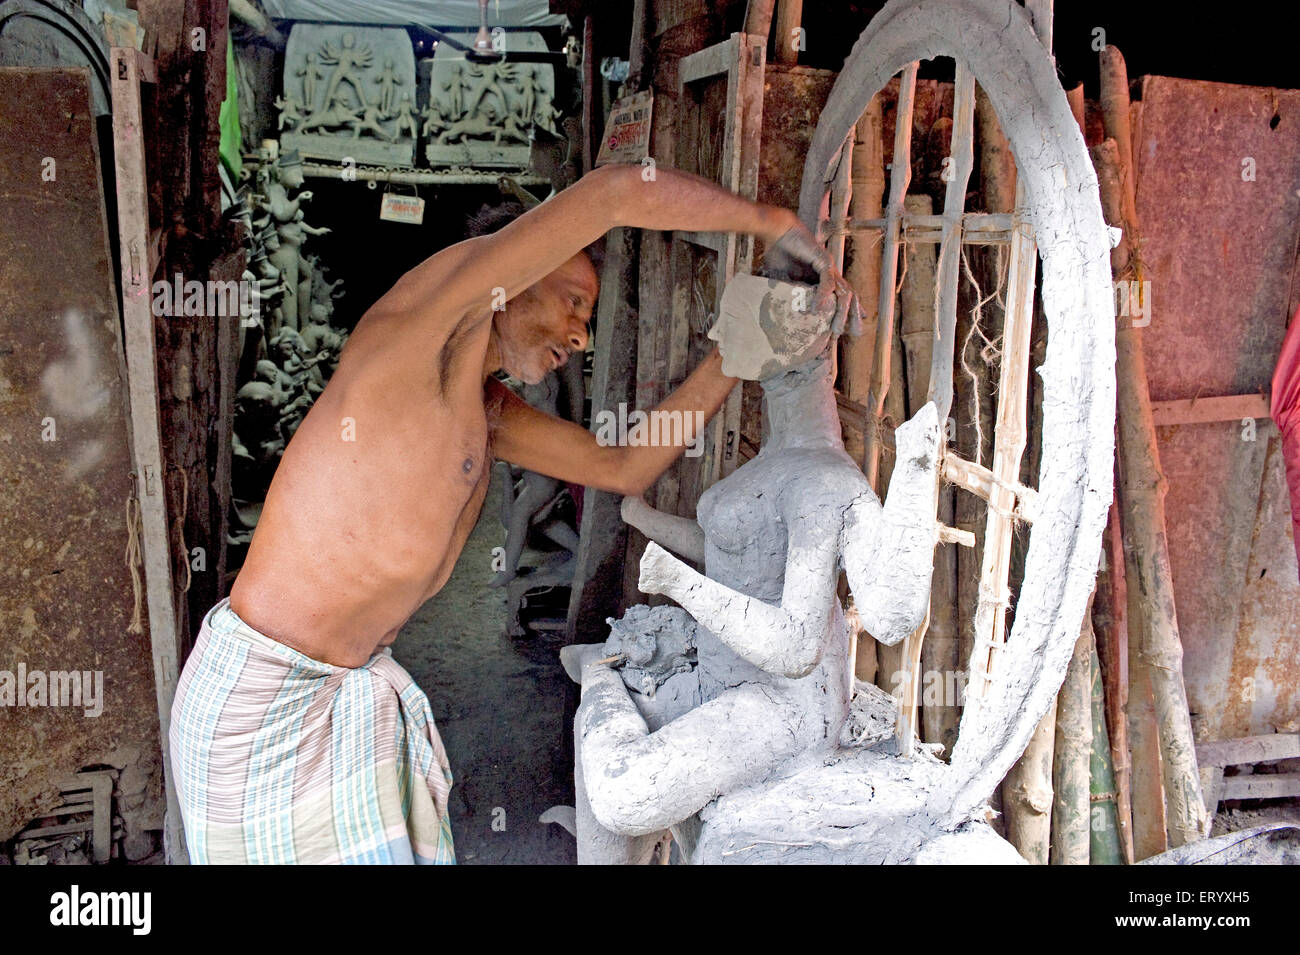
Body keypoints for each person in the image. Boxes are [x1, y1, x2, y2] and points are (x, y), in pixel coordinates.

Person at [169, 162, 858, 865]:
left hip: (336, 695)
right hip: (265, 708)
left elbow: (623, 466)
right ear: (514, 273)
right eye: (571, 302)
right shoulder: (419, 330)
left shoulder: (483, 409)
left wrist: (738, 345)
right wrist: (772, 221)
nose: (580, 337)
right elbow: (615, 193)